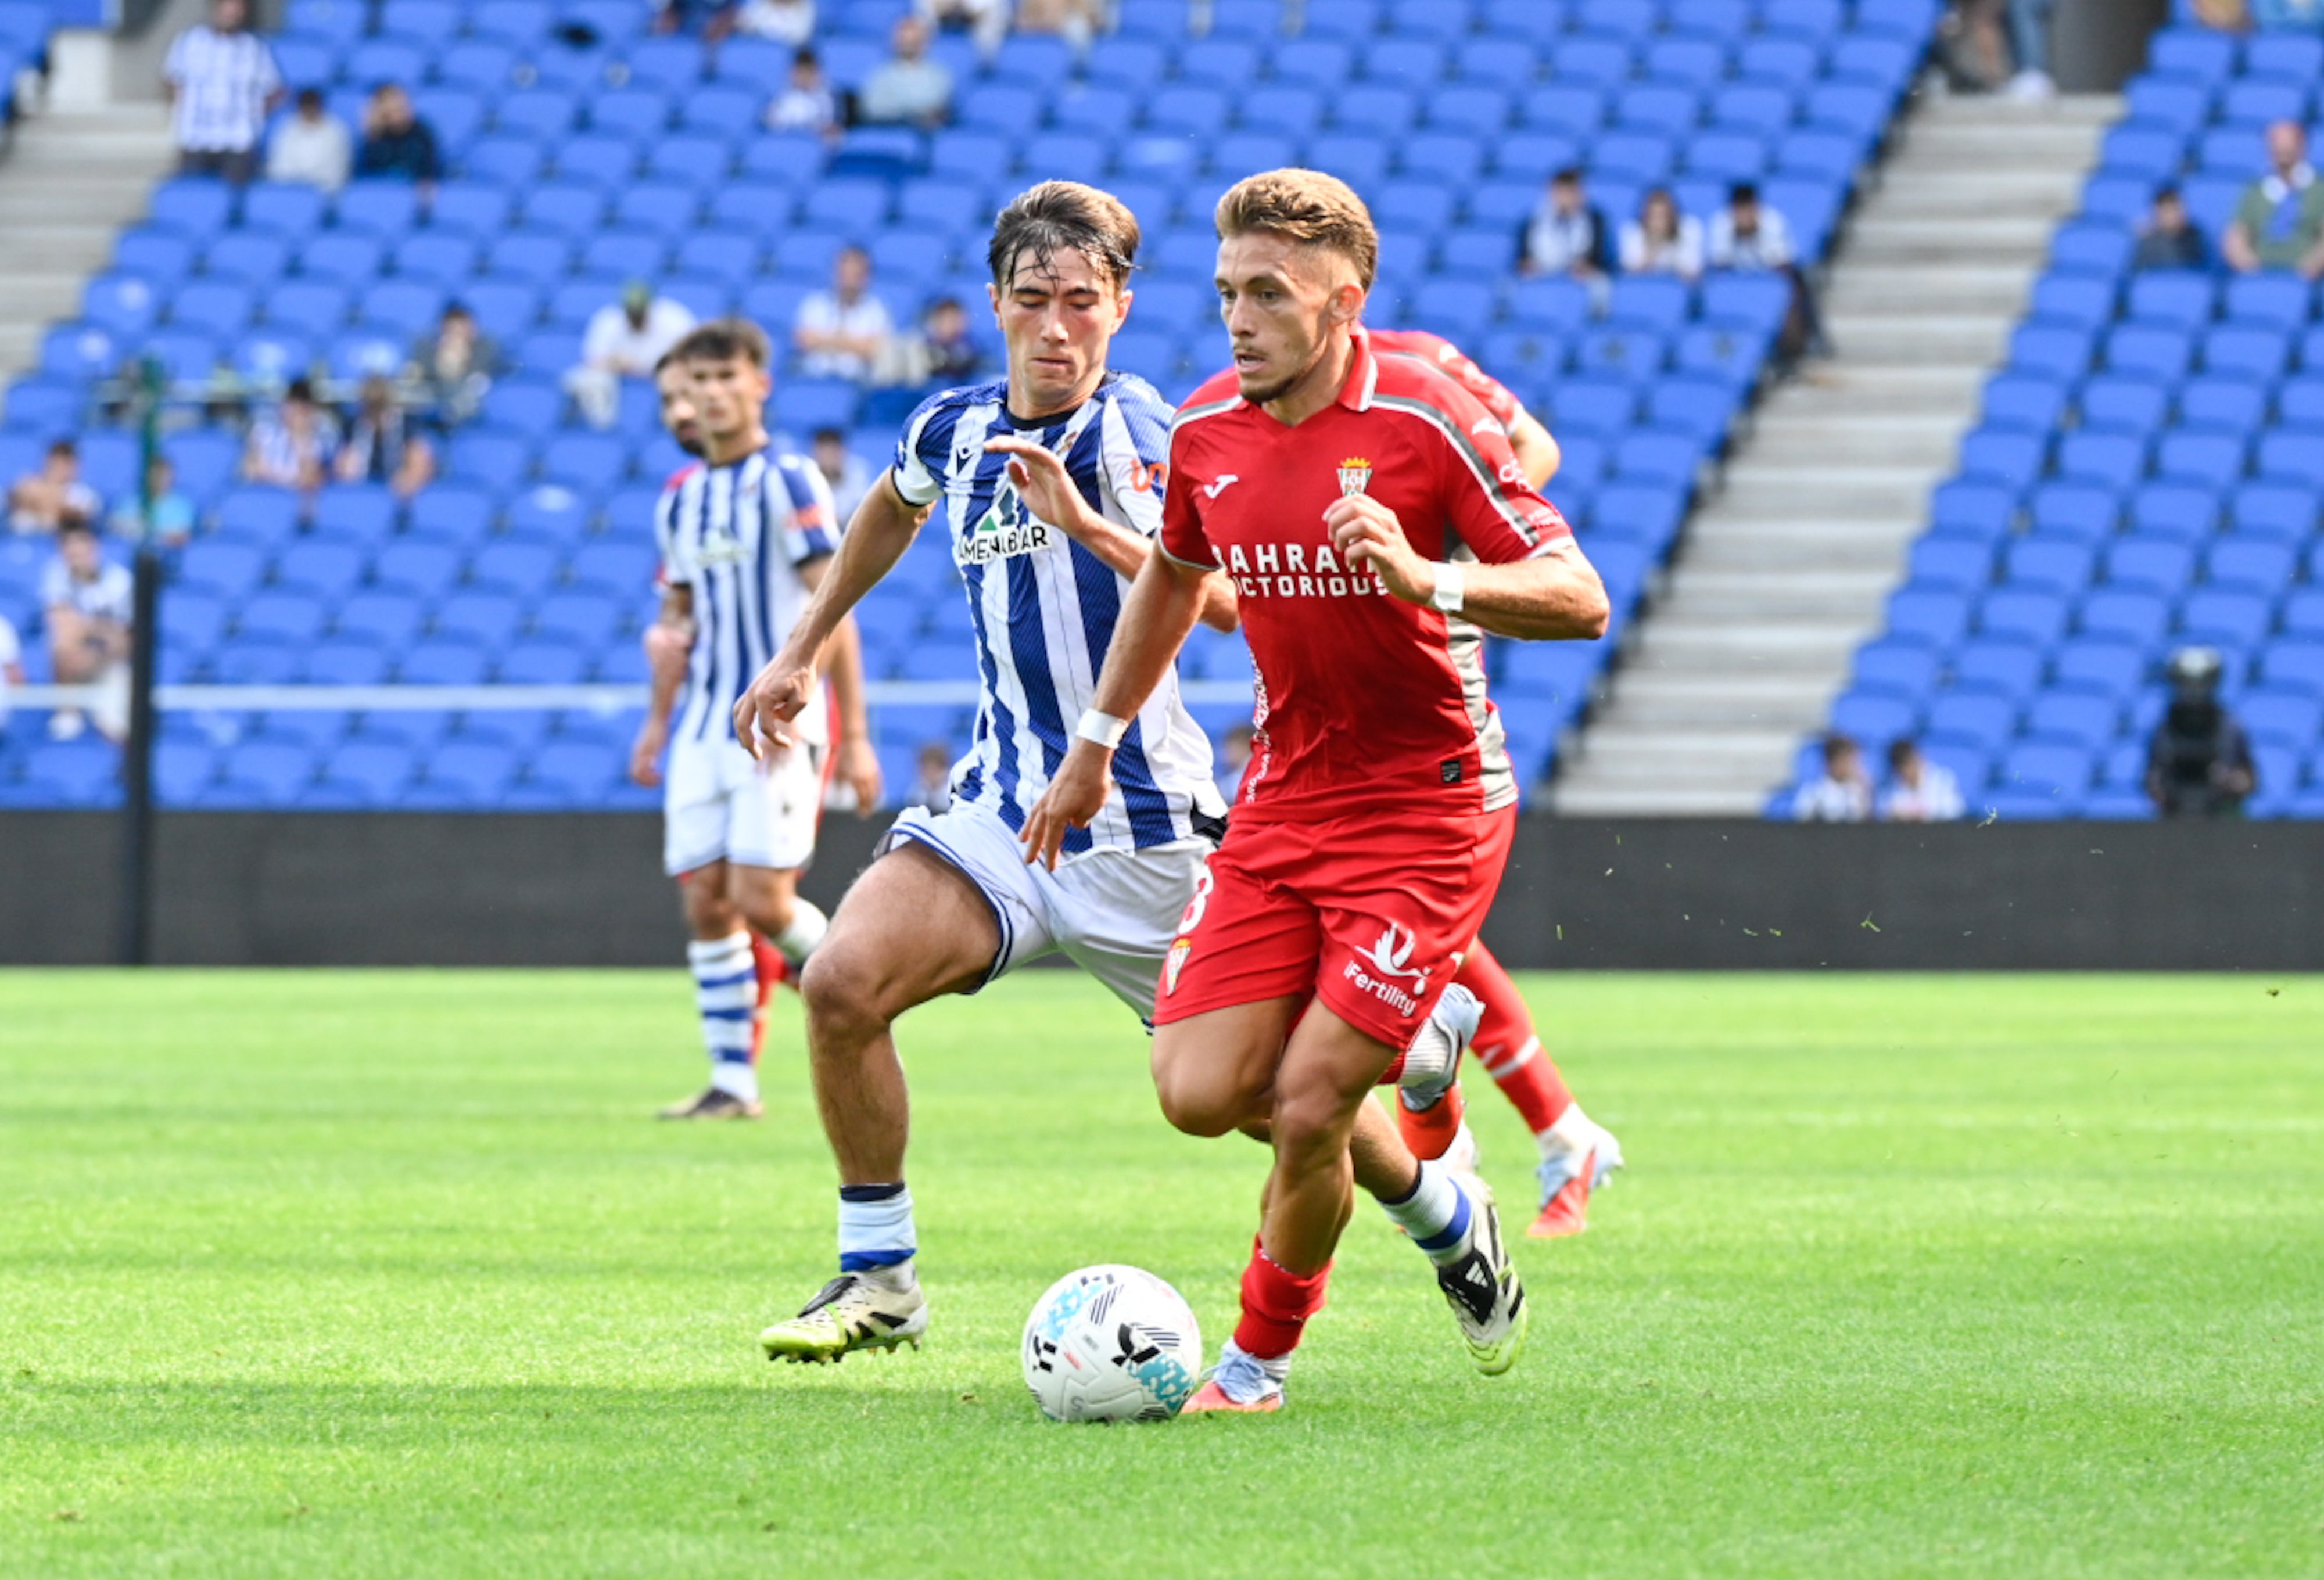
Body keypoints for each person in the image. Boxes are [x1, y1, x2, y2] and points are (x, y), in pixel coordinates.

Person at [736, 182, 1493, 1369]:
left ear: (1122, 308)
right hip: (1002, 813)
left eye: (1081, 302)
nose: (1055, 327)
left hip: (1148, 831)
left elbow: (1223, 600)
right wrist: (799, 650)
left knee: (1274, 1106)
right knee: (838, 983)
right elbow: (889, 505)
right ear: (995, 303)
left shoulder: (1149, 432)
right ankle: (880, 1277)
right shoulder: (952, 430)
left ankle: (1443, 1215)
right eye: (1032, 299)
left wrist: (1088, 523)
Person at [1022, 169, 1613, 1412]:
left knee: (1306, 1104)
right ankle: (1438, 1140)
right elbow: (1173, 578)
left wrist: (1427, 576)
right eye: (1226, 293)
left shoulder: (1425, 415)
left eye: (1269, 296)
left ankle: (1254, 1368)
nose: (1239, 321)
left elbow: (1579, 595)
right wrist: (1093, 743)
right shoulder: (1205, 431)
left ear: (1344, 304)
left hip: (1429, 807)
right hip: (1285, 798)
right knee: (1198, 1094)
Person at [630, 320, 880, 1120]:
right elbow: (680, 614)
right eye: (697, 382)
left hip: (776, 725)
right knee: (706, 899)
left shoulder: (789, 480)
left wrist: (856, 735)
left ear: (758, 386)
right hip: (703, 724)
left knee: (763, 899)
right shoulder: (682, 499)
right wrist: (657, 712)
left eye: (724, 378)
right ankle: (733, 1081)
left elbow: (834, 606)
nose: (709, 395)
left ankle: (865, 990)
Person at [162, 0, 281, 185]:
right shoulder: (190, 41)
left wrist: (254, 114)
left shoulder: (254, 47)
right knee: (194, 193)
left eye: (237, 10)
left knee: (234, 195)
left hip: (238, 140)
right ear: (216, 9)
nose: (232, 15)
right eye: (228, 8)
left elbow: (273, 88)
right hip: (196, 137)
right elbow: (171, 78)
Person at [1708, 182, 1826, 366]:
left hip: (1771, 283)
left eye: (1748, 209)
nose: (1744, 216)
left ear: (1756, 208)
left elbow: (1783, 266)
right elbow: (1720, 268)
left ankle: (1806, 339)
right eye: (1739, 210)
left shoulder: (1773, 222)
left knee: (1797, 285)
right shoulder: (1721, 224)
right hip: (1738, 287)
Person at [41, 524, 135, 743]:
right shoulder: (57, 575)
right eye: (70, 550)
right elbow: (62, 628)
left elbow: (126, 642)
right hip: (75, 666)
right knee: (63, 646)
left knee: (120, 730)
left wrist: (89, 629)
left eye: (81, 549)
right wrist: (103, 629)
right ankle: (68, 712)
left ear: (94, 547)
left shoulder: (120, 581)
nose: (76, 556)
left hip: (110, 665)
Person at [568, 281, 698, 430]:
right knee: (585, 378)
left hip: (664, 371)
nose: (636, 316)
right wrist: (615, 362)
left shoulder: (674, 318)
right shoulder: (609, 320)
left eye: (640, 312)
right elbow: (592, 359)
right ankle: (603, 430)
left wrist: (647, 368)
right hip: (619, 374)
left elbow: (691, 355)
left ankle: (680, 421)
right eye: (632, 312)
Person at [2146, 647, 2257, 817]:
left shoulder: (2230, 729)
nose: (2194, 690)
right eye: (2186, 682)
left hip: (2221, 815)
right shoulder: (2164, 730)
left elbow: (2250, 780)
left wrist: (2229, 781)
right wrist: (2165, 789)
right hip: (2175, 817)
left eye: (2201, 683)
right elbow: (2152, 779)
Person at [2223, 121, 2324, 278]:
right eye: (2277, 146)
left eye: (2288, 147)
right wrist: (2251, 269)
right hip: (2261, 273)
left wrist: (2309, 268)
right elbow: (2237, 235)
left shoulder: (2319, 189)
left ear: (2302, 147)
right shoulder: (2255, 191)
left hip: (2307, 276)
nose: (2282, 151)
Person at [792, 246, 895, 384]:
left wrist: (824, 339)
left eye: (855, 274)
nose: (849, 279)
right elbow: (804, 340)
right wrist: (853, 343)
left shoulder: (877, 310)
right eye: (845, 272)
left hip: (857, 383)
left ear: (866, 276)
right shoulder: (815, 304)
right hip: (814, 379)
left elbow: (877, 350)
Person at [336, 375, 436, 498]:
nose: (376, 412)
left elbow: (421, 462)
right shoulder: (352, 427)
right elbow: (342, 467)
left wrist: (410, 477)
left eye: (380, 405)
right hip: (363, 495)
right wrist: (346, 470)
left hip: (396, 492)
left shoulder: (407, 425)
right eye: (371, 406)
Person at [408, 303, 501, 430]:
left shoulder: (487, 351)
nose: (456, 338)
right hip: (433, 416)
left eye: (461, 332)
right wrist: (443, 367)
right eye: (451, 332)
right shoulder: (426, 351)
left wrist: (460, 366)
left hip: (470, 420)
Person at [242, 377, 336, 491]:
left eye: (303, 408)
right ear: (284, 407)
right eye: (294, 406)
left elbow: (310, 478)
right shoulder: (266, 433)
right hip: (269, 497)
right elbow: (251, 469)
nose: (298, 413)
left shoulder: (323, 439)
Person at [858, 16, 952, 128]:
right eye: (904, 41)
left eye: (914, 41)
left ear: (925, 42)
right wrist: (912, 113)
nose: (908, 44)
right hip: (890, 130)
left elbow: (939, 105)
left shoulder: (939, 76)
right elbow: (872, 107)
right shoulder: (881, 75)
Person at [1519, 167, 1612, 280]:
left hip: (1582, 280)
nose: (1565, 198)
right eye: (1561, 192)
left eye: (1570, 192)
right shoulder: (1533, 220)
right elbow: (1523, 259)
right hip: (1541, 277)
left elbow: (1597, 259)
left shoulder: (1596, 220)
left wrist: (1585, 266)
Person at [352, 84, 442, 187]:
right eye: (388, 104)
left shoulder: (421, 133)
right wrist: (371, 132)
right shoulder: (375, 135)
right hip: (380, 192)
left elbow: (431, 170)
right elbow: (364, 174)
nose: (395, 106)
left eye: (399, 106)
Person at [264, 87, 352, 194]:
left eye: (312, 109)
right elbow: (279, 166)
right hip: (291, 190)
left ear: (320, 108)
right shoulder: (287, 130)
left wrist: (314, 187)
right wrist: (298, 184)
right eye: (306, 109)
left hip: (326, 193)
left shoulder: (336, 131)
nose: (309, 113)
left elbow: (338, 170)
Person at [8, 440, 101, 535]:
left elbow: (78, 518)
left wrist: (45, 500)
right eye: (57, 463)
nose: (61, 469)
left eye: (66, 464)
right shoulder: (27, 483)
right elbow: (15, 498)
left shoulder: (84, 494)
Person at [108, 455, 199, 545]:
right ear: (146, 476)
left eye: (163, 476)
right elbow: (115, 527)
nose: (159, 480)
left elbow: (183, 536)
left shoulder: (182, 506)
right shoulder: (129, 501)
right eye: (155, 474)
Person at [1620, 186, 1705, 281]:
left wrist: (1671, 239)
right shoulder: (1633, 231)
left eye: (1664, 215)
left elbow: (1694, 272)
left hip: (1677, 285)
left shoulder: (1689, 228)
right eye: (1654, 216)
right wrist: (1655, 244)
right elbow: (1631, 275)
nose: (1659, 221)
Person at [1880, 739, 1966, 822]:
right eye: (1900, 768)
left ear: (1918, 758)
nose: (1905, 771)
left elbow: (1955, 811)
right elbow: (1883, 813)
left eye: (1908, 764)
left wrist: (1919, 817)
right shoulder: (1889, 789)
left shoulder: (1943, 780)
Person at [1793, 732, 1872, 821]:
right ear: (1832, 762)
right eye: (1847, 761)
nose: (1852, 766)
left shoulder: (1858, 791)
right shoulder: (1813, 793)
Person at [765, 45, 840, 137]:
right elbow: (771, 122)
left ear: (818, 74)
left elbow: (830, 127)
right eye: (801, 73)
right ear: (792, 74)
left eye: (809, 72)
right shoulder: (784, 97)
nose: (805, 78)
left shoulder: (828, 98)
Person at [2133, 185, 2211, 271]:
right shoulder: (2148, 243)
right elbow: (2137, 272)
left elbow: (2208, 269)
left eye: (2177, 209)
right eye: (2168, 211)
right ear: (2158, 213)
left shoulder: (2197, 237)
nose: (2174, 216)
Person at [914, 295, 982, 386]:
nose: (955, 326)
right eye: (950, 320)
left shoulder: (971, 346)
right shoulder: (922, 347)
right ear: (937, 322)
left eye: (957, 320)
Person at [810, 426, 871, 525]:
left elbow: (860, 511)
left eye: (833, 451)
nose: (829, 457)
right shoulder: (805, 474)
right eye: (825, 452)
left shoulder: (857, 472)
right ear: (815, 453)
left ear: (842, 451)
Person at [902, 742, 952, 810]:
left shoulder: (953, 794)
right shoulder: (915, 791)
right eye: (925, 768)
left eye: (933, 769)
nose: (929, 773)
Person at [734, 0, 813, 42]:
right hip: (760, 51)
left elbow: (801, 37)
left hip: (786, 56)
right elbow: (745, 25)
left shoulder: (805, 6)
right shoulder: (761, 4)